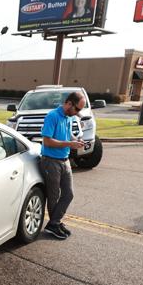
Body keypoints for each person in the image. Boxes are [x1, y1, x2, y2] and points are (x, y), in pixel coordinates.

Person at [40, 92, 86, 239]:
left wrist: (76, 140)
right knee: (54, 196)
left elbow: (67, 136)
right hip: (51, 161)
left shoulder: (68, 117)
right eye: (77, 109)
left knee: (69, 194)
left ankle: (54, 222)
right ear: (69, 104)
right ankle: (54, 224)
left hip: (64, 160)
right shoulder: (52, 116)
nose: (78, 113)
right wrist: (69, 144)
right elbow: (47, 141)